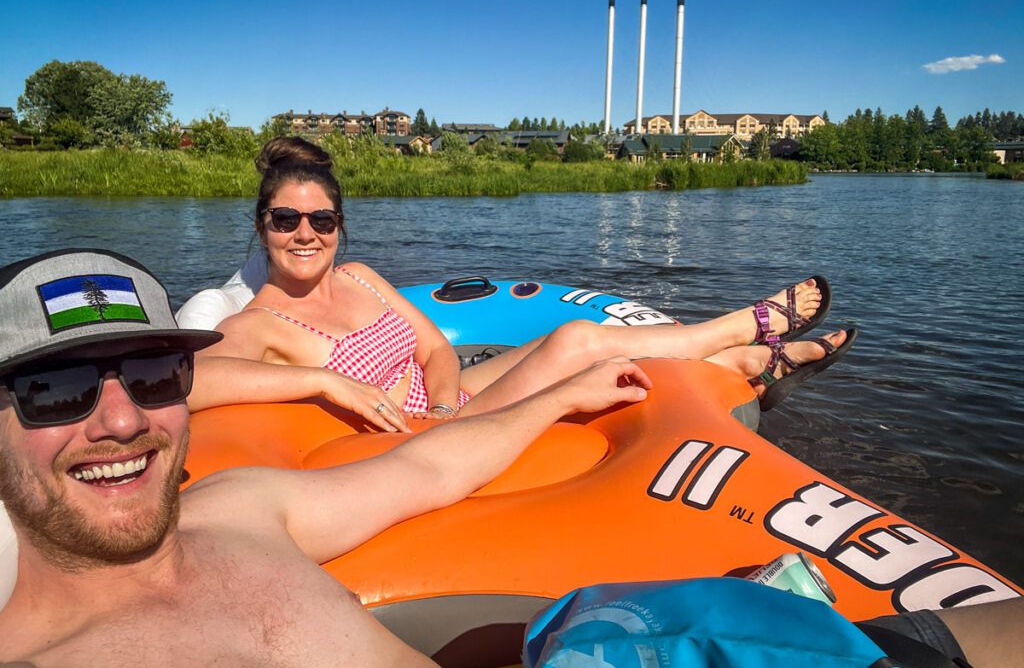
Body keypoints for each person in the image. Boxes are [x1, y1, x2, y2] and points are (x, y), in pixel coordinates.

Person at [0, 249, 1017, 668]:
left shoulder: (236, 509)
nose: (123, 420)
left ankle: (747, 351)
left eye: (154, 376)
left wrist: (567, 397)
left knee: (831, 629)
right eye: (55, 389)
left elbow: (428, 472)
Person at [189, 136, 857, 430]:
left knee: (575, 336)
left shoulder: (361, 278)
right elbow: (187, 385)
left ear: (340, 224)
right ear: (261, 223)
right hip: (412, 442)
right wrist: (326, 380)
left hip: (447, 407)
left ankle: (739, 358)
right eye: (286, 219)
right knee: (575, 350)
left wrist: (446, 402)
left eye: (322, 219)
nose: (305, 234)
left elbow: (437, 350)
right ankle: (740, 331)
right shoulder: (252, 325)